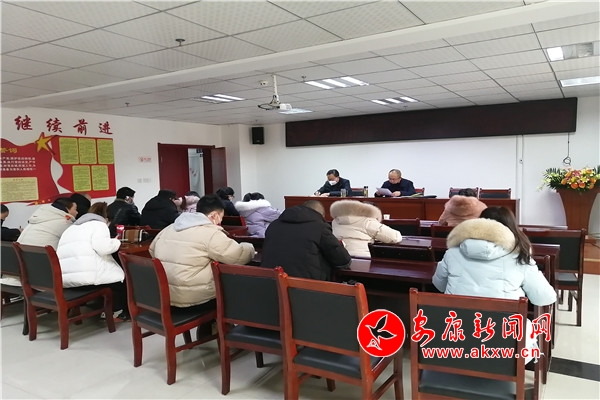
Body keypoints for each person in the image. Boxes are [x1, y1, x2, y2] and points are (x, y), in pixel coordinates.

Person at [432, 206, 556, 363]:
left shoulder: (453, 252)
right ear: (511, 229)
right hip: (503, 346)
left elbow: (438, 284)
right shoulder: (520, 257)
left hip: (455, 336)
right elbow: (544, 298)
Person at [149, 194, 255, 308]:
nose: (220, 221)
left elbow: (152, 250)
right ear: (214, 215)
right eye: (221, 217)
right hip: (194, 298)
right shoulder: (211, 233)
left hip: (163, 296)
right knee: (236, 286)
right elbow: (238, 256)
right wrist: (249, 247)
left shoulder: (169, 228)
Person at [56, 202, 128, 319]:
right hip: (86, 281)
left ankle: (103, 308)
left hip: (66, 280)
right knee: (121, 280)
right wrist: (116, 241)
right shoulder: (100, 225)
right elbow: (104, 248)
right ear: (106, 218)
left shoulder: (71, 228)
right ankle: (115, 312)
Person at [261, 200, 351, 281]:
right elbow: (343, 260)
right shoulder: (319, 227)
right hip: (304, 288)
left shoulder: (274, 225)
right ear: (321, 215)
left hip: (269, 284)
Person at [330, 200, 402, 258]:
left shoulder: (336, 221)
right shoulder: (368, 221)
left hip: (338, 258)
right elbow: (394, 237)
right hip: (362, 259)